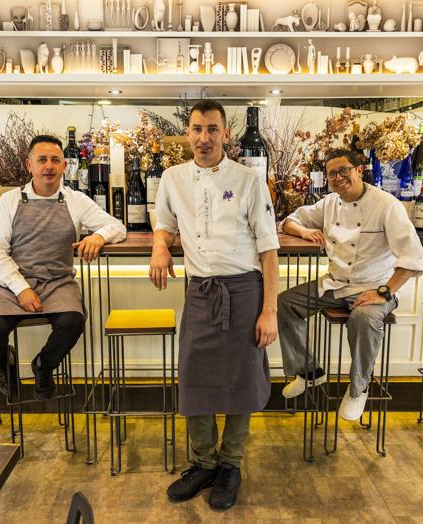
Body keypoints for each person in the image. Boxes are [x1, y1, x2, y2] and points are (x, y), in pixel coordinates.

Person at [149, 100, 279, 510]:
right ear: (187, 133)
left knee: (240, 381)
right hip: (200, 293)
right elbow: (164, 222)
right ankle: (204, 463)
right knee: (195, 379)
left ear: (226, 134)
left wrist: (270, 310)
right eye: (196, 129)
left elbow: (269, 249)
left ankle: (230, 465)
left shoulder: (248, 180)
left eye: (212, 129)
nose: (203, 137)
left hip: (244, 293)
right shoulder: (172, 178)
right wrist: (159, 246)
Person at [277, 148, 423, 420]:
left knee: (363, 318)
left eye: (344, 170)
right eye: (332, 173)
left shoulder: (386, 204)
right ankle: (309, 372)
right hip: (335, 285)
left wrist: (385, 292)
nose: (337, 177)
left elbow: (413, 257)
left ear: (359, 170)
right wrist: (304, 231)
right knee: (286, 303)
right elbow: (289, 221)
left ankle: (359, 389)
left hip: (376, 287)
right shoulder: (329, 203)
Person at [0, 135, 126, 400]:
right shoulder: (9, 201)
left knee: (73, 322)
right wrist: (22, 289)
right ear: (29, 165)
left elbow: (117, 226)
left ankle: (43, 366)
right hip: (12, 284)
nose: (49, 166)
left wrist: (98, 236)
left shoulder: (75, 200)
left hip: (58, 282)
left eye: (55, 160)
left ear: (64, 166)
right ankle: (6, 366)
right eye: (42, 160)